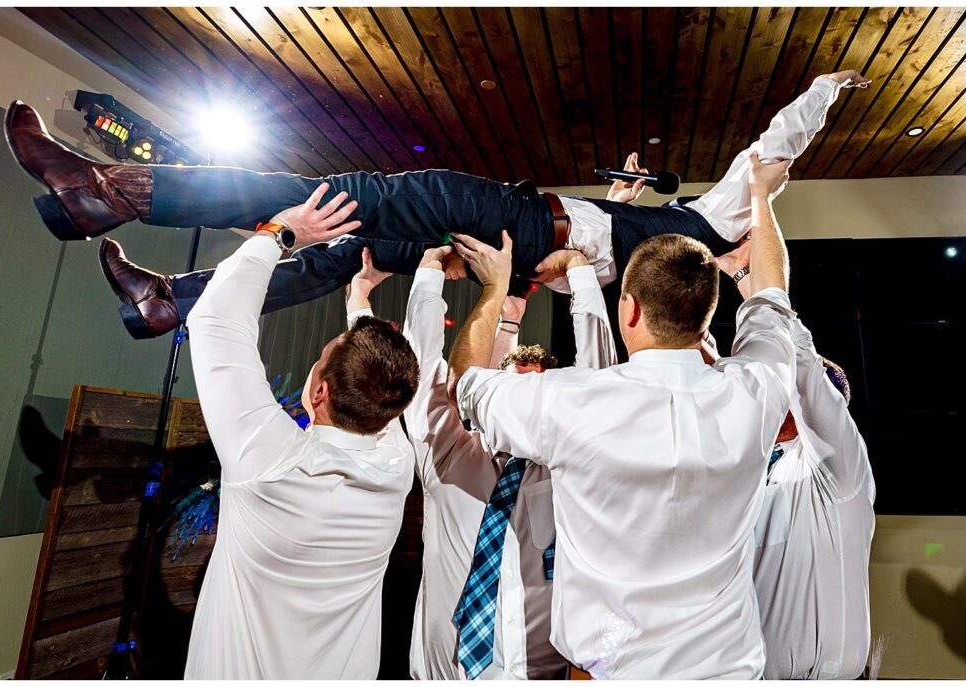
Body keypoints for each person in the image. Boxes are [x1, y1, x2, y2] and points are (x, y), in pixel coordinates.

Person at [4, 71, 869, 339]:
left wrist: (824, 93)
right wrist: (615, 201)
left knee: (351, 198)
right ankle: (174, 301)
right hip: (523, 239)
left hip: (516, 223)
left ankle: (107, 192)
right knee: (344, 248)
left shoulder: (720, 227)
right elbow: (594, 255)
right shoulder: (678, 261)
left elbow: (772, 150)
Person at [444, 153, 798, 678]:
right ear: (705, 320)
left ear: (628, 309)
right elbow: (771, 297)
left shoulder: (571, 402)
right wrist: (761, 198)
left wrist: (496, 289)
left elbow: (465, 384)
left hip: (605, 672)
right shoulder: (758, 390)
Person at [181, 198, 422, 679]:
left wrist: (282, 232)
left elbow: (215, 319)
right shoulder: (395, 468)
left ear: (319, 391)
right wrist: (358, 301)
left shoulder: (268, 461)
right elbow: (382, 390)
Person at [377, 242, 614, 680]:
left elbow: (600, 388)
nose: (519, 404)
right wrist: (431, 271)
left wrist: (580, 271)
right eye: (509, 390)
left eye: (534, 394)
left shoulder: (570, 465)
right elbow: (424, 368)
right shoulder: (446, 452)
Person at [715, 243, 877, 679]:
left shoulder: (838, 471)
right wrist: (736, 278)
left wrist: (763, 290)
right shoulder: (753, 469)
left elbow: (802, 369)